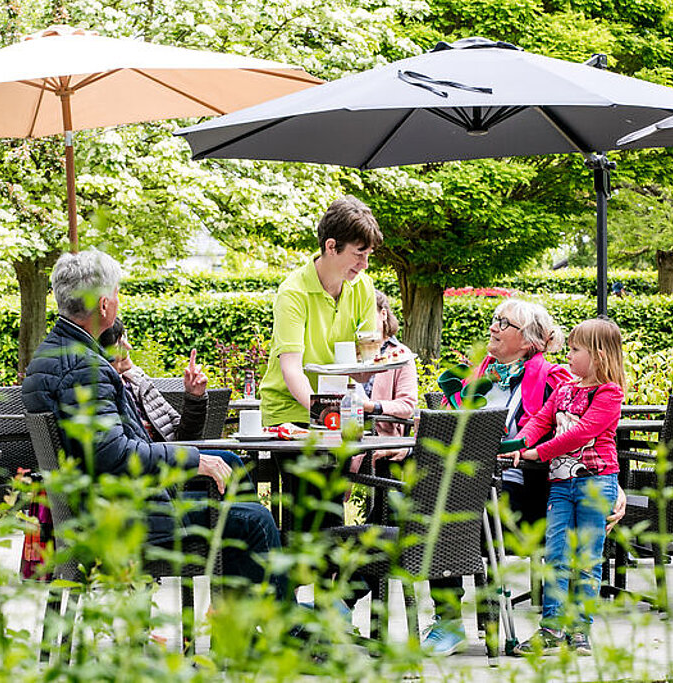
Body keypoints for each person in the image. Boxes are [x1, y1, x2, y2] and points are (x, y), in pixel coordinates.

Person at [21, 250, 285, 600]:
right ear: (103, 306)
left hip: (98, 507)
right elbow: (112, 453)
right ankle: (282, 632)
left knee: (232, 473)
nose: (118, 301)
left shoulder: (52, 355)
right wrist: (194, 460)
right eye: (116, 294)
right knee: (255, 521)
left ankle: (238, 620)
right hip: (123, 520)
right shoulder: (85, 367)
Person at [422, 299, 626, 656]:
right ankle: (448, 619)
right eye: (494, 319)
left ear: (529, 340)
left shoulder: (555, 380)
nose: (494, 327)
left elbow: (586, 432)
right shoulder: (474, 379)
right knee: (430, 497)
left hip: (524, 488)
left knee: (448, 503)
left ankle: (571, 629)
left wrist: (614, 488)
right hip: (470, 480)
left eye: (504, 322)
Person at [511, 318, 625, 656]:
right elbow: (541, 420)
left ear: (599, 355)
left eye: (576, 350)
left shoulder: (609, 393)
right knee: (556, 556)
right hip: (560, 485)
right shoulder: (564, 389)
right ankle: (551, 630)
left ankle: (580, 631)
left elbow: (582, 432)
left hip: (597, 484)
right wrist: (518, 443)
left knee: (588, 559)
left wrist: (538, 452)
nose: (569, 356)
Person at [259, 196, 383, 426]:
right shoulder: (293, 292)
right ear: (331, 246)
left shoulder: (364, 286)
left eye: (368, 255)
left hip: (339, 408)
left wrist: (370, 366)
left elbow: (365, 361)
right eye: (358, 254)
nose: (365, 265)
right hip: (289, 413)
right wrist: (327, 415)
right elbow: (292, 370)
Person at [98, 317, 253, 491]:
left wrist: (194, 397)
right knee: (234, 468)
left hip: (172, 462)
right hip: (156, 477)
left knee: (231, 463)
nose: (129, 347)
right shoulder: (107, 391)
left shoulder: (138, 382)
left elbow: (184, 438)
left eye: (125, 338)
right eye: (120, 342)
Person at [360, 290, 418, 462]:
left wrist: (371, 406)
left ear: (383, 314)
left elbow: (407, 405)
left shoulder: (400, 355)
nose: (362, 322)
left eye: (367, 315)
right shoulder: (351, 353)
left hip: (380, 435)